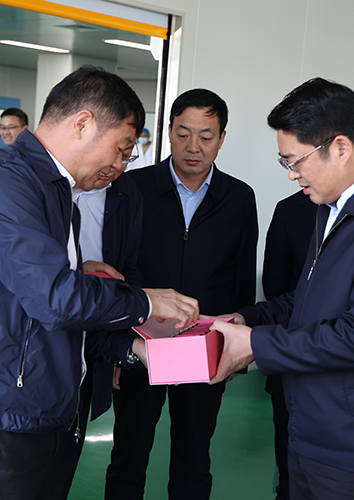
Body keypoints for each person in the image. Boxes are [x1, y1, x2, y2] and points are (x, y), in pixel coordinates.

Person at [0, 65, 199, 500]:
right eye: (122, 149)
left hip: (44, 411)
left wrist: (129, 344)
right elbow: (53, 298)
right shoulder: (4, 180)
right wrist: (146, 302)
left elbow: (39, 301)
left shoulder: (59, 195)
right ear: (83, 123)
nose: (120, 165)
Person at [209, 78, 354, 500]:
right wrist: (248, 318)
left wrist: (254, 344)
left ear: (340, 148)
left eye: (294, 161)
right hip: (313, 429)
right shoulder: (334, 207)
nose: (292, 175)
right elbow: (312, 301)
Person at [105, 89, 258, 500]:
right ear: (169, 132)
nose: (194, 147)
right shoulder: (132, 187)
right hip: (142, 344)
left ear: (222, 138)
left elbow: (242, 276)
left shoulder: (239, 198)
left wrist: (237, 351)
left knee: (194, 458)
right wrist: (117, 348)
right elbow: (117, 271)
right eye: (183, 133)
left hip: (205, 348)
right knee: (128, 457)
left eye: (206, 136)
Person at [59, 134, 147, 497]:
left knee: (68, 447)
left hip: (94, 338)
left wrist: (119, 345)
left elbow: (129, 269)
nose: (117, 165)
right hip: (42, 347)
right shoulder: (43, 188)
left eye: (127, 156)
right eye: (115, 152)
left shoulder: (126, 193)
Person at [261, 189, 318, 500]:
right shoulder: (289, 209)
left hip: (308, 349)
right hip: (292, 351)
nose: (294, 173)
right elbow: (275, 284)